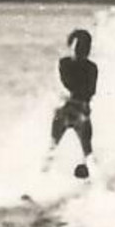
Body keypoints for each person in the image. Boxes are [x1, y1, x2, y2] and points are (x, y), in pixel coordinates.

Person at [47, 29, 98, 179]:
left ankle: (95, 182)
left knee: (87, 150)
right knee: (52, 146)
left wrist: (74, 98)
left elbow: (90, 91)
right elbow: (60, 85)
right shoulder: (63, 63)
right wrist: (70, 97)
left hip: (80, 111)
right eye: (77, 48)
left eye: (84, 48)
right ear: (70, 47)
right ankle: (40, 179)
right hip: (64, 111)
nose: (80, 52)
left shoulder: (91, 68)